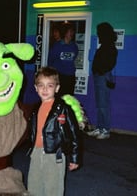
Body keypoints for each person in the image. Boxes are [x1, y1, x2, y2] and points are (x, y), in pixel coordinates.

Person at [27, 67, 83, 196]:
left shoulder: (62, 108)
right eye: (41, 85)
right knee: (33, 185)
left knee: (53, 188)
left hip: (54, 154)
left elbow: (74, 133)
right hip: (36, 153)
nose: (45, 89)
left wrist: (74, 157)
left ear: (57, 88)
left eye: (50, 86)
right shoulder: (35, 108)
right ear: (36, 88)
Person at [87, 22, 118, 139]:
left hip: (102, 77)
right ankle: (100, 128)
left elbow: (110, 63)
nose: (98, 34)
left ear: (104, 33)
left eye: (99, 32)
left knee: (103, 104)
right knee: (100, 104)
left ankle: (105, 130)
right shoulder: (106, 45)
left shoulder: (109, 47)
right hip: (100, 76)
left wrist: (99, 71)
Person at [48, 22, 78, 96]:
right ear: (65, 33)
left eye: (72, 31)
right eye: (70, 31)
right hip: (60, 76)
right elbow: (50, 60)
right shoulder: (57, 46)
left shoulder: (74, 46)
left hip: (71, 76)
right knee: (58, 97)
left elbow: (74, 57)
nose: (72, 33)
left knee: (69, 98)